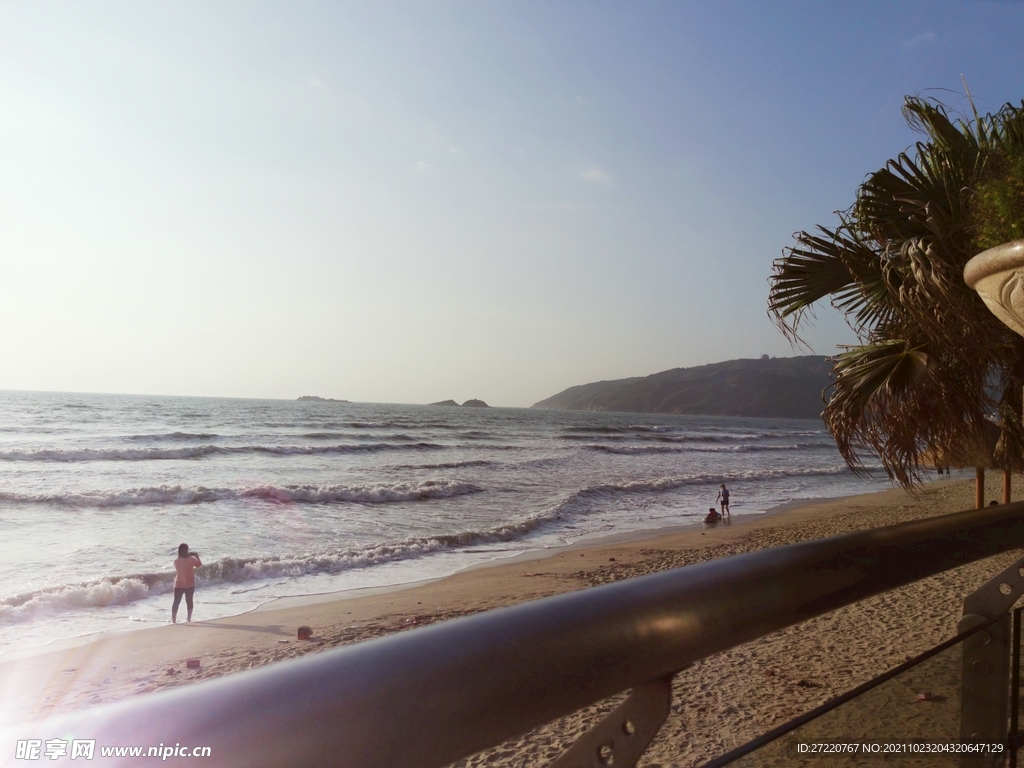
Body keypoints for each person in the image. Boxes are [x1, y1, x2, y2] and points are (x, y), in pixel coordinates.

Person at [172, 543, 202, 623]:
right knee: (189, 601)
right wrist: (197, 556)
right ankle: (188, 618)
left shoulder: (176, 561)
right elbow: (199, 565)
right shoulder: (192, 559)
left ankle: (173, 620)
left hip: (179, 584)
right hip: (190, 584)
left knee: (176, 601)